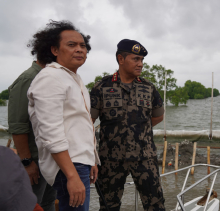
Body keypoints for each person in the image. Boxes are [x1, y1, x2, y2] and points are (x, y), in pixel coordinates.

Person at [27, 20, 100, 211]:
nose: (79, 49)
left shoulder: (73, 78)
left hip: (79, 162)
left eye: (83, 46)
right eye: (71, 45)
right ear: (54, 50)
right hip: (68, 166)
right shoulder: (50, 78)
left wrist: (91, 159)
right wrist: (72, 176)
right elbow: (51, 133)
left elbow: (81, 126)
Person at [90, 39, 165, 211]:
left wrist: (139, 130)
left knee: (155, 204)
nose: (140, 64)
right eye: (136, 59)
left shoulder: (148, 87)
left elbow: (158, 116)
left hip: (144, 157)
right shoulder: (101, 87)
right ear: (120, 59)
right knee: (109, 206)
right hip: (110, 159)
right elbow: (89, 122)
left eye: (142, 60)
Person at [8, 56, 57, 211]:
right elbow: (18, 124)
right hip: (34, 159)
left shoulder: (50, 77)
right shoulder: (28, 79)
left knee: (48, 202)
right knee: (30, 204)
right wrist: (27, 162)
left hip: (51, 158)